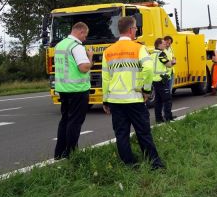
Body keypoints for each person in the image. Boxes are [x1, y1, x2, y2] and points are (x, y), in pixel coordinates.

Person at [102, 16, 164, 170]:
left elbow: (105, 78)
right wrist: (147, 89)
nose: (136, 30)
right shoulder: (139, 48)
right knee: (143, 133)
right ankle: (154, 164)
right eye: (136, 28)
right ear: (130, 30)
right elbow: (149, 69)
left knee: (121, 135)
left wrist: (105, 100)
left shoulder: (108, 51)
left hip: (116, 101)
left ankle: (129, 165)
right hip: (135, 99)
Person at [54, 22, 93, 160]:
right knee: (75, 122)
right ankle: (71, 152)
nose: (85, 39)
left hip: (63, 89)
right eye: (85, 35)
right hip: (77, 89)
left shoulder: (60, 45)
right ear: (81, 32)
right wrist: (90, 57)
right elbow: (83, 67)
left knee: (65, 120)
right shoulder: (76, 47)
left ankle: (59, 152)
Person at [152, 38, 174, 123]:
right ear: (159, 45)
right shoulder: (161, 54)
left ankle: (159, 119)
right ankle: (169, 118)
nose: (165, 45)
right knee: (167, 100)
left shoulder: (152, 54)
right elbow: (168, 65)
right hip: (162, 80)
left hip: (155, 80)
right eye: (164, 43)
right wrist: (172, 62)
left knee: (158, 101)